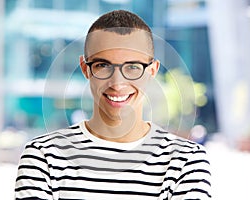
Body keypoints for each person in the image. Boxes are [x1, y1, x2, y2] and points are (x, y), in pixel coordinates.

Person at [15, 10, 211, 199]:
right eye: (103, 65)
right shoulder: (43, 157)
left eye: (133, 67)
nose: (117, 84)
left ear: (152, 71)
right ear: (85, 69)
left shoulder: (186, 160)